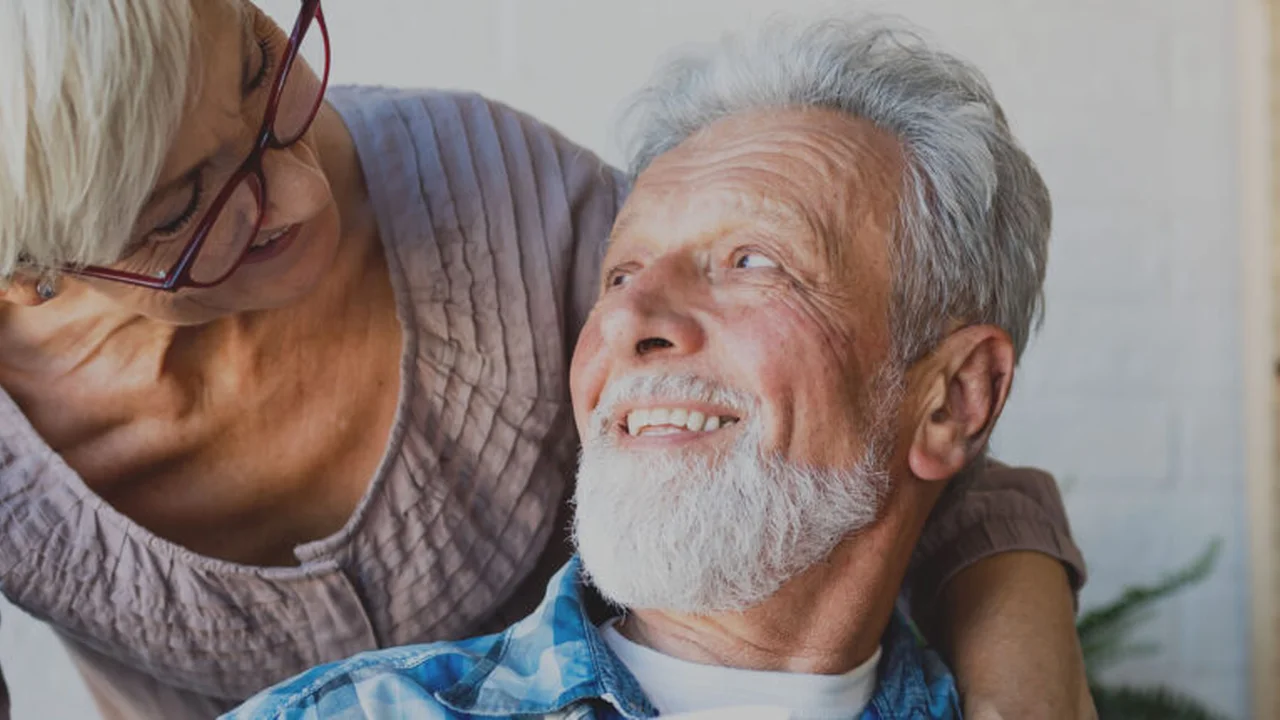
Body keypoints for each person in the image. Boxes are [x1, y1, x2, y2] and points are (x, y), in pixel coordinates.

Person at [0, 1, 1086, 718]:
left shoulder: (505, 206)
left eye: (254, 69)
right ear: (29, 272)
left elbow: (872, 412)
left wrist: (1022, 673)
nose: (298, 188)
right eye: (190, 212)